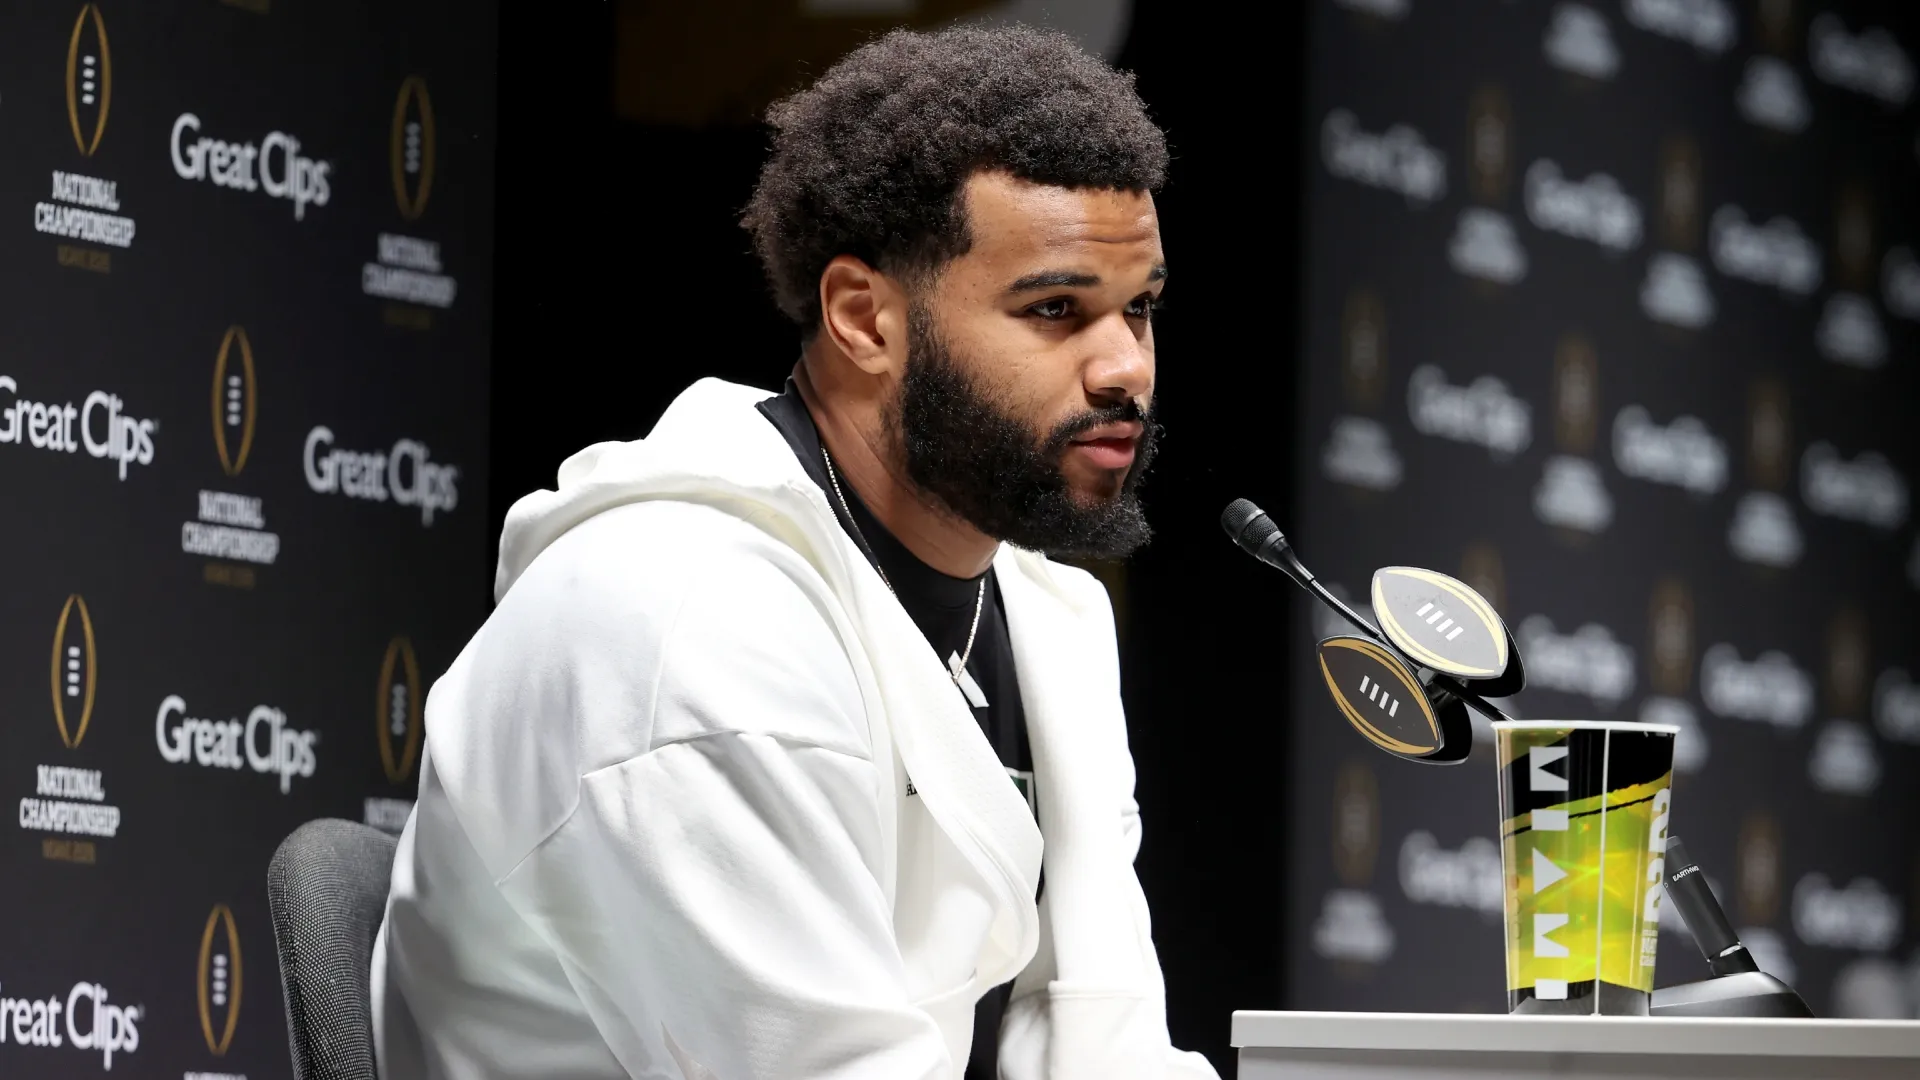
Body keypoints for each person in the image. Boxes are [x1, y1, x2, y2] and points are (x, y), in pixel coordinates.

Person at [372, 24, 1217, 1080]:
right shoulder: (687, 625)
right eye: (1055, 310)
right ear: (865, 317)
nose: (1124, 368)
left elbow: (1109, 1046)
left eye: (1140, 308)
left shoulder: (1050, 619)